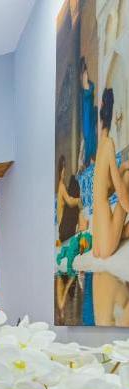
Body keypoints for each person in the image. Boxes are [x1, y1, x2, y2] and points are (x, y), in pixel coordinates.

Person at [90, 88, 129, 325]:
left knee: (125, 174)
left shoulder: (101, 147)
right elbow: (118, 189)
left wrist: (122, 169)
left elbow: (108, 188)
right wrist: (123, 170)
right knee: (127, 179)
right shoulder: (108, 143)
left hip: (99, 222)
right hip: (103, 220)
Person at [82, 58, 98, 167]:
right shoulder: (82, 92)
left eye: (85, 73)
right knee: (87, 138)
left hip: (89, 120)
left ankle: (91, 160)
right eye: (83, 73)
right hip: (86, 121)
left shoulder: (90, 87)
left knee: (90, 139)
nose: (85, 76)